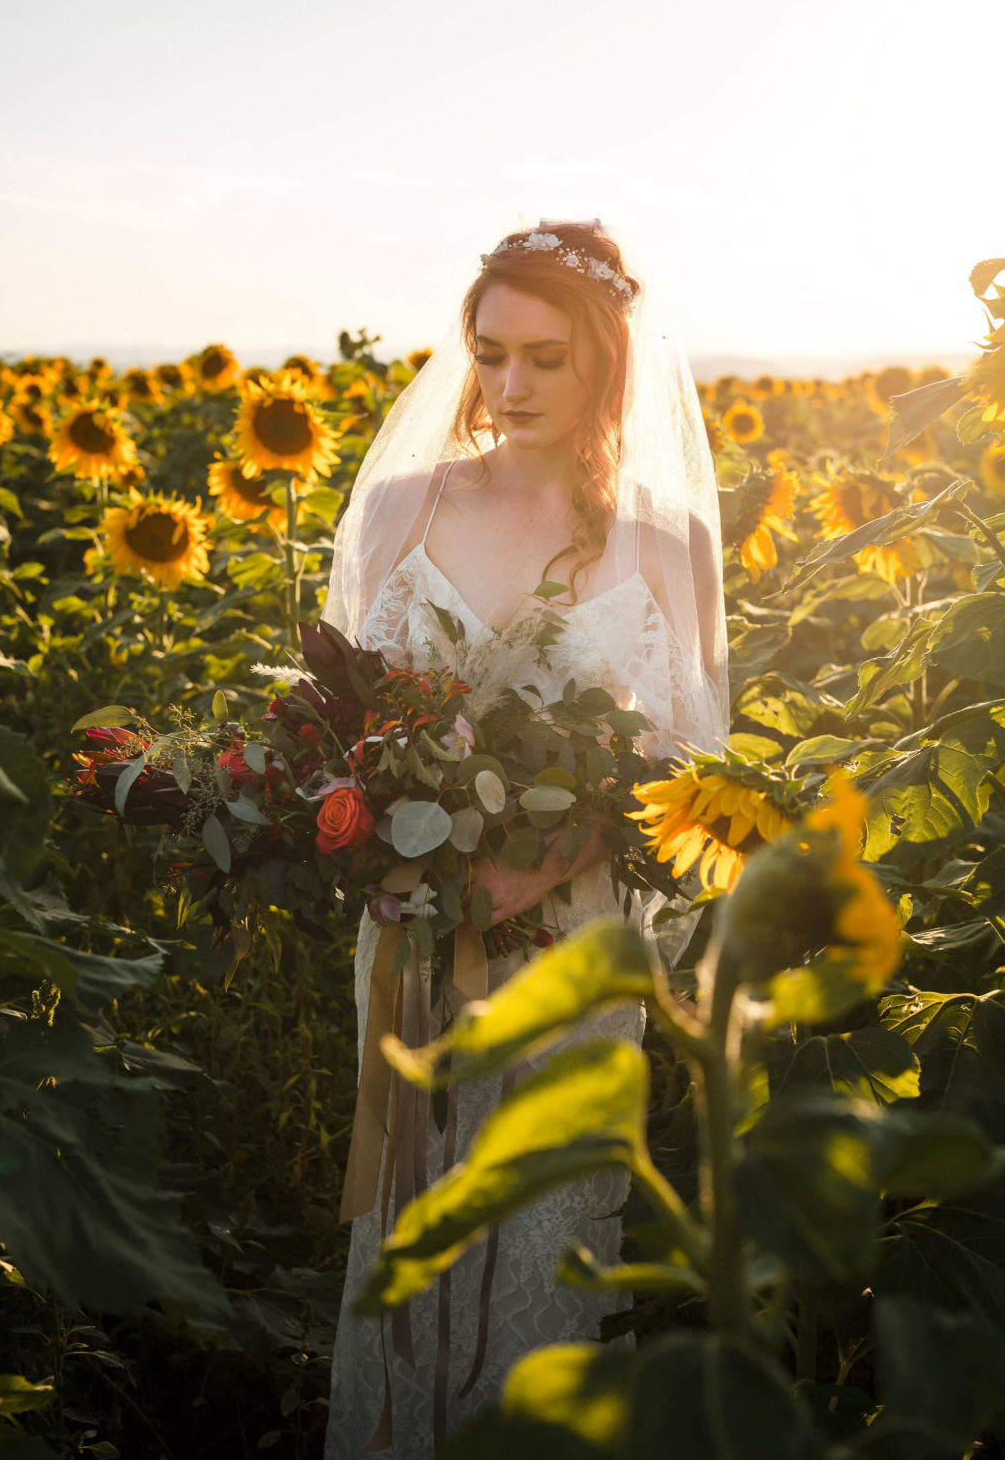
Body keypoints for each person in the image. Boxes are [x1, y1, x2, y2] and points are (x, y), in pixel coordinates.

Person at [321, 219, 729, 1457]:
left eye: (545, 358)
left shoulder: (669, 544)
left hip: (571, 951)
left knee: (544, 1240)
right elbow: (335, 727)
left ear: (607, 361)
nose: (508, 388)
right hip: (407, 944)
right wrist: (391, 837)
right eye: (489, 352)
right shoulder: (398, 509)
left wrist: (545, 856)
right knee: (409, 1225)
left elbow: (684, 772)